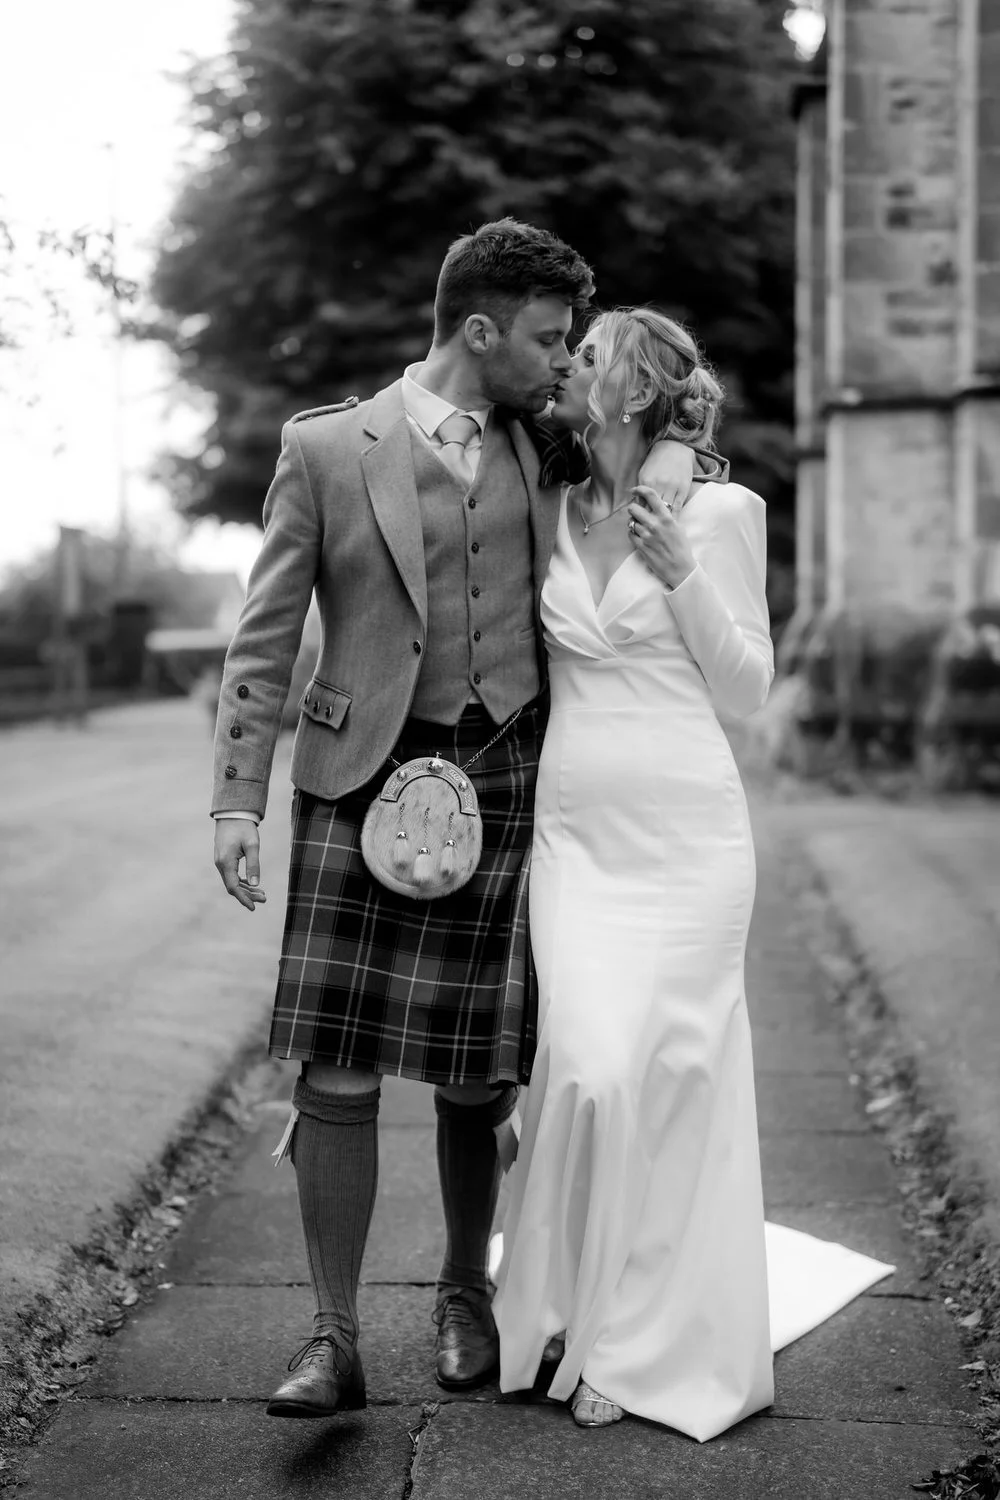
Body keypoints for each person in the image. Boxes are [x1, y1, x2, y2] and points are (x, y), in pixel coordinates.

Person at [210, 222, 728, 1421]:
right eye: (549, 339)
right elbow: (265, 632)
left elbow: (661, 444)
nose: (564, 362)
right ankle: (331, 1337)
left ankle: (464, 1296)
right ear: (480, 330)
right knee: (333, 1070)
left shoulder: (546, 443)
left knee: (477, 1075)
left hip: (506, 777)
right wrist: (238, 796)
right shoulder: (328, 448)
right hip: (357, 773)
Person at [491, 306, 776, 1439]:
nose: (567, 366)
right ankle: (557, 1300)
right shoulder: (553, 506)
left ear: (642, 389)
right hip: (576, 841)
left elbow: (748, 688)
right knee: (589, 1070)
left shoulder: (721, 511)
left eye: (591, 355)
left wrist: (683, 576)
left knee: (672, 1081)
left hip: (691, 843)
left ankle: (634, 1343)